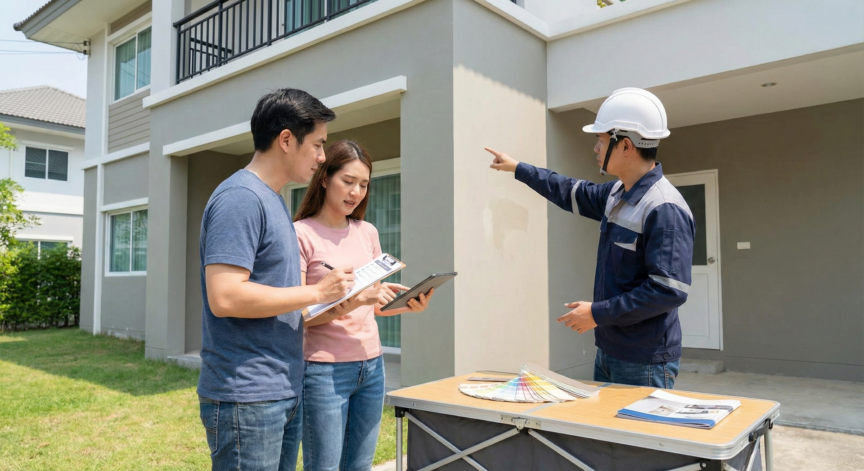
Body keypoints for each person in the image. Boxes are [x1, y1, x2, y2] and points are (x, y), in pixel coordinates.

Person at [485, 88, 695, 389]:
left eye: (600, 139)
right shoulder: (616, 194)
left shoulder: (664, 208)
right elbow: (568, 189)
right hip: (610, 350)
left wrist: (597, 313)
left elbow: (667, 291)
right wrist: (518, 168)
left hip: (644, 362)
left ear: (625, 145)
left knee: (632, 438)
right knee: (607, 437)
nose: (596, 148)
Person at [198, 89, 356, 471]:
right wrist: (316, 290)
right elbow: (226, 296)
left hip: (281, 389)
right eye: (318, 144)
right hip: (247, 396)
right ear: (286, 139)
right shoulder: (241, 198)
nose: (322, 157)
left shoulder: (273, 200)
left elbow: (279, 297)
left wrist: (339, 299)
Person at [294, 140, 434, 471]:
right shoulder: (301, 234)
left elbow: (374, 306)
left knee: (359, 466)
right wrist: (355, 299)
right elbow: (298, 316)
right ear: (325, 178)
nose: (356, 192)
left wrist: (406, 305)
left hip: (372, 367)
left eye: (364, 184)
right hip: (324, 371)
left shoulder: (367, 232)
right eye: (348, 181)